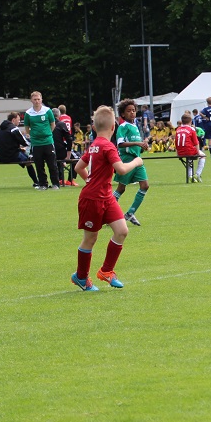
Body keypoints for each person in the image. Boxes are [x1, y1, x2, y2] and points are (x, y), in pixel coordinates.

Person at [71, 105, 145, 291]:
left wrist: (90, 179)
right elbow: (121, 169)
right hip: (93, 199)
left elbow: (79, 167)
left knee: (122, 230)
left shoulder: (95, 145)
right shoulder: (107, 146)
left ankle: (106, 271)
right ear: (114, 127)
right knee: (90, 238)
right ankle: (81, 277)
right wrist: (136, 161)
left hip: (105, 196)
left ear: (94, 128)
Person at [113, 99, 150, 226]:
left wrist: (142, 147)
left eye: (134, 110)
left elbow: (136, 146)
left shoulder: (135, 126)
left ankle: (129, 214)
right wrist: (137, 143)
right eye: (128, 111)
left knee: (145, 185)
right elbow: (120, 144)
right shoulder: (123, 127)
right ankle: (107, 212)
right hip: (127, 160)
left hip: (137, 160)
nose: (132, 113)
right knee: (121, 189)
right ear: (123, 114)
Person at [25, 91, 60, 189]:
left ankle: (55, 184)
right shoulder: (28, 113)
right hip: (36, 143)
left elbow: (53, 124)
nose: (37, 101)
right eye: (35, 99)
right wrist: (31, 135)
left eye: (38, 99)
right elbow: (27, 127)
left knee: (52, 164)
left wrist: (48, 133)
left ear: (41, 100)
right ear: (31, 100)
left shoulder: (47, 111)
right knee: (39, 165)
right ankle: (43, 184)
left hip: (48, 141)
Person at [0, 113, 39, 185]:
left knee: (23, 154)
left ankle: (36, 181)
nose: (19, 121)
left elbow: (7, 143)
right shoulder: (13, 128)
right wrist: (34, 142)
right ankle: (36, 182)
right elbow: (24, 142)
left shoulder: (1, 129)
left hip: (0, 156)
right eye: (18, 120)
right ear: (13, 120)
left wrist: (19, 148)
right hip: (11, 155)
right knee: (29, 162)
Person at [175, 112, 207, 181]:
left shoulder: (178, 129)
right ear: (191, 121)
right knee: (203, 156)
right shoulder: (191, 129)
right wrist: (198, 152)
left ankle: (190, 176)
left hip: (180, 151)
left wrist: (177, 153)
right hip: (189, 150)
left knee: (189, 159)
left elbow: (176, 142)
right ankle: (197, 174)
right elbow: (196, 142)